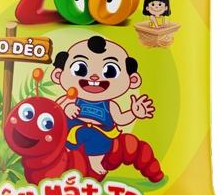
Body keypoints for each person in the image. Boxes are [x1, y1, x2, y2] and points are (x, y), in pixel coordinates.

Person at [51, 36, 155, 175]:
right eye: (80, 69)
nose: (94, 76)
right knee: (61, 134)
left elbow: (120, 119)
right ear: (58, 75)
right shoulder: (72, 97)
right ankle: (63, 155)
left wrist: (134, 113)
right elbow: (56, 109)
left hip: (99, 132)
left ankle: (95, 161)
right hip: (74, 128)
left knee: (100, 142)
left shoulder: (110, 105)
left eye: (110, 71)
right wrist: (68, 108)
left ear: (132, 80)